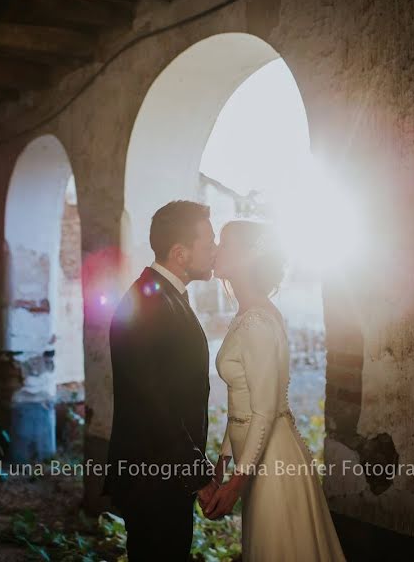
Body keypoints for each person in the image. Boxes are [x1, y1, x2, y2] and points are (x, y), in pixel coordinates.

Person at [203, 220, 346, 561]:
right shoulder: (246, 314)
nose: (216, 250)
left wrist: (235, 485)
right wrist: (223, 460)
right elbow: (242, 404)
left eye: (225, 244)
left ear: (249, 258)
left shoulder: (259, 322)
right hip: (253, 461)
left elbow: (264, 410)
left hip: (272, 463)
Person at [103, 200, 220, 560]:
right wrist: (198, 474)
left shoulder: (165, 297)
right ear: (180, 253)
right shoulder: (149, 304)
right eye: (209, 242)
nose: (216, 251)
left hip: (164, 473)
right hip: (153, 478)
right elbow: (156, 406)